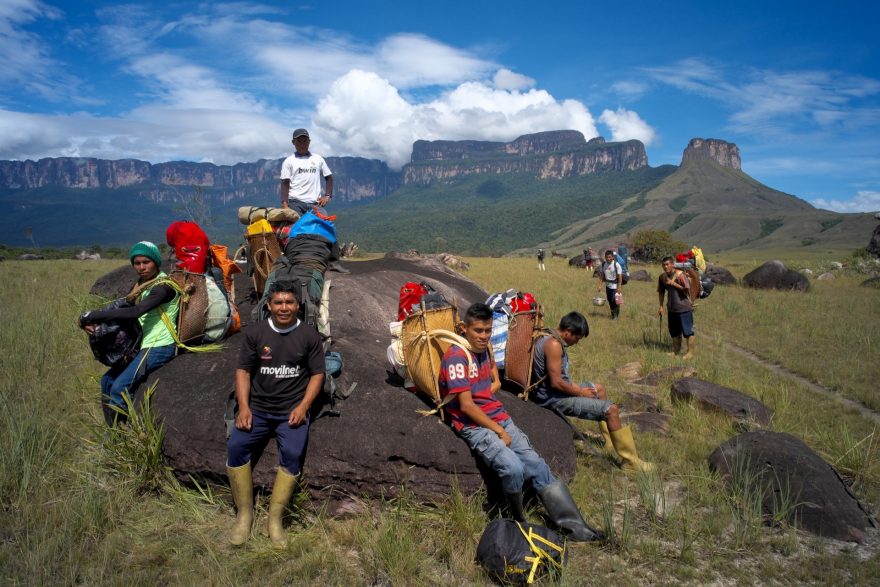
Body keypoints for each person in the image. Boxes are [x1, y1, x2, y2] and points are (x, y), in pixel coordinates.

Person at [439, 303, 603, 542]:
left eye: (487, 330)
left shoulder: (484, 350)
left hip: (498, 416)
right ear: (464, 328)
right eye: (478, 330)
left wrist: (493, 396)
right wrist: (498, 430)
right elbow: (466, 406)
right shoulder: (456, 357)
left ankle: (576, 527)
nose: (483, 336)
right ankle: (518, 521)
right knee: (513, 468)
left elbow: (492, 382)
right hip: (474, 425)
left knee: (537, 465)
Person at [226, 281, 325, 546]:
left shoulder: (308, 335)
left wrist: (303, 407)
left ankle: (275, 519)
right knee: (235, 447)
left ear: (297, 305)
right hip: (258, 408)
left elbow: (317, 374)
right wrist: (244, 408)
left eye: (289, 302)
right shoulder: (256, 332)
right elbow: (244, 371)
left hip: (290, 410)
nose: (284, 307)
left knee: (292, 453)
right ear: (269, 305)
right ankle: (244, 514)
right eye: (278, 302)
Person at [531, 312, 654, 473]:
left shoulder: (548, 335)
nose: (577, 342)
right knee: (611, 410)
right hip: (553, 398)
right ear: (568, 331)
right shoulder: (554, 345)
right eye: (577, 338)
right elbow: (557, 382)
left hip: (558, 392)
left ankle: (609, 442)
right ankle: (630, 462)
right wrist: (580, 392)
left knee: (599, 389)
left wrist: (578, 389)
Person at [79, 241, 180, 427]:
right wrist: (89, 322)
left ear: (156, 262)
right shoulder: (141, 285)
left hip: (159, 345)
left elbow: (134, 312)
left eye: (146, 262)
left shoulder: (163, 287)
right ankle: (113, 431)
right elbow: (122, 309)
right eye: (137, 263)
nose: (141, 267)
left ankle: (123, 434)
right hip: (143, 344)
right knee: (107, 381)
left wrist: (94, 315)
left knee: (119, 388)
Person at [279, 128, 334, 216]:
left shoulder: (318, 159)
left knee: (324, 222)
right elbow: (285, 183)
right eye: (299, 141)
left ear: (309, 141)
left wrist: (327, 196)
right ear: (293, 142)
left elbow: (329, 177)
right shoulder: (289, 161)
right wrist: (285, 205)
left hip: (315, 204)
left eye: (305, 141)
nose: (302, 144)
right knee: (297, 223)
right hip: (295, 203)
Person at [658, 256, 695, 360]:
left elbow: (687, 289)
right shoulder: (662, 277)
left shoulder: (680, 275)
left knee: (688, 331)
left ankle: (690, 353)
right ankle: (676, 351)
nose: (665, 267)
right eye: (663, 265)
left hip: (684, 307)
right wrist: (661, 306)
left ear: (672, 264)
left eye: (667, 264)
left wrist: (674, 283)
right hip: (671, 308)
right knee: (674, 331)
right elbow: (661, 292)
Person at [596, 250, 623, 319]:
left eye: (609, 257)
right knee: (610, 300)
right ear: (605, 257)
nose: (608, 259)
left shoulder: (616, 265)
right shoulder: (604, 264)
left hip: (615, 286)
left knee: (615, 301)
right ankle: (613, 315)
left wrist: (619, 287)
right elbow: (602, 275)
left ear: (613, 257)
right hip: (608, 286)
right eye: (607, 257)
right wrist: (600, 285)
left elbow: (620, 276)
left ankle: (615, 316)